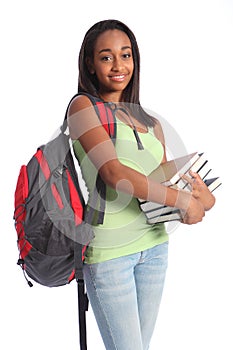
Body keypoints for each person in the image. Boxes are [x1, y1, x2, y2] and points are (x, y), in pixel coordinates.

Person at [68, 19, 215, 350]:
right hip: (111, 254)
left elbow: (159, 180)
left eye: (126, 55)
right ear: (90, 64)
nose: (119, 65)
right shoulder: (83, 107)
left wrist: (201, 196)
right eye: (106, 57)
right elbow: (114, 174)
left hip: (154, 248)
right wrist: (181, 200)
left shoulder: (148, 120)